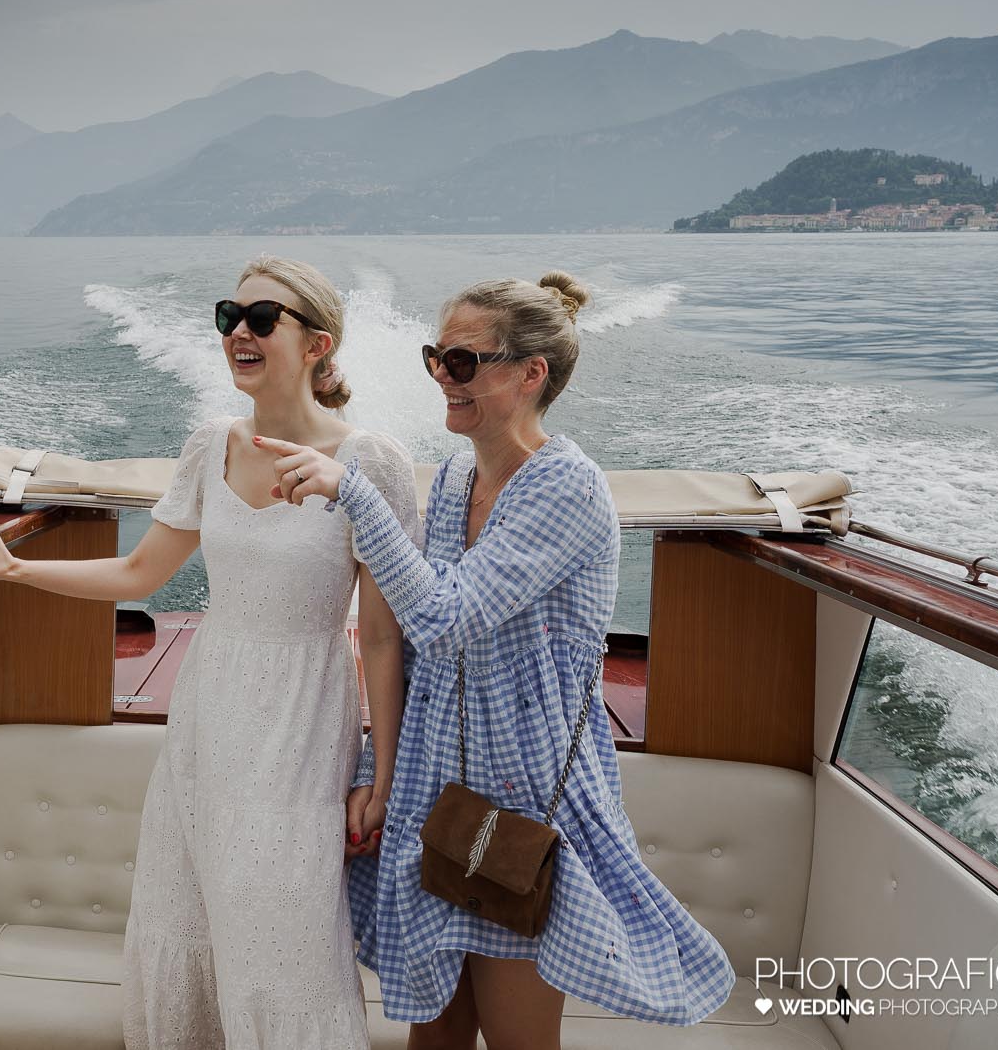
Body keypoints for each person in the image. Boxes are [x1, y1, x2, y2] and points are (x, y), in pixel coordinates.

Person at [0, 256, 418, 1049]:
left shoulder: (372, 464)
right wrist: (16, 568)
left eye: (263, 320)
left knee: (288, 943)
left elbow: (381, 632)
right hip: (209, 718)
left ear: (317, 344)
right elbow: (141, 571)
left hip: (303, 723)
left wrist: (383, 777)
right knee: (187, 919)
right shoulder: (208, 446)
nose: (239, 334)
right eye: (230, 316)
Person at [258, 272, 735, 1050]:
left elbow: (447, 617)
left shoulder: (568, 488)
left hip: (522, 807)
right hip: (433, 797)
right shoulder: (453, 479)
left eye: (464, 361)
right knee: (435, 1037)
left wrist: (355, 493)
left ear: (530, 372)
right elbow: (417, 649)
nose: (444, 377)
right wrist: (374, 775)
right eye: (436, 357)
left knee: (518, 1038)